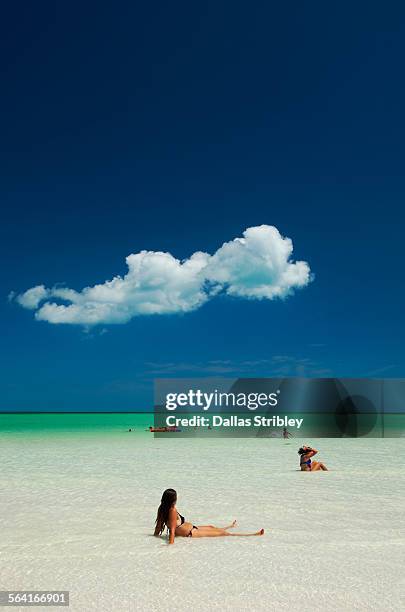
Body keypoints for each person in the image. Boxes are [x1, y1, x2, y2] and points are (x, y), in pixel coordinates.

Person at [154, 488, 265, 544]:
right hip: (191, 533)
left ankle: (229, 526)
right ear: (173, 499)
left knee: (212, 527)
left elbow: (158, 526)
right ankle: (253, 534)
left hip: (192, 528)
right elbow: (172, 530)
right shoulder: (172, 510)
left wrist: (155, 537)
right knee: (224, 534)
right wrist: (170, 547)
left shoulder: (162, 508)